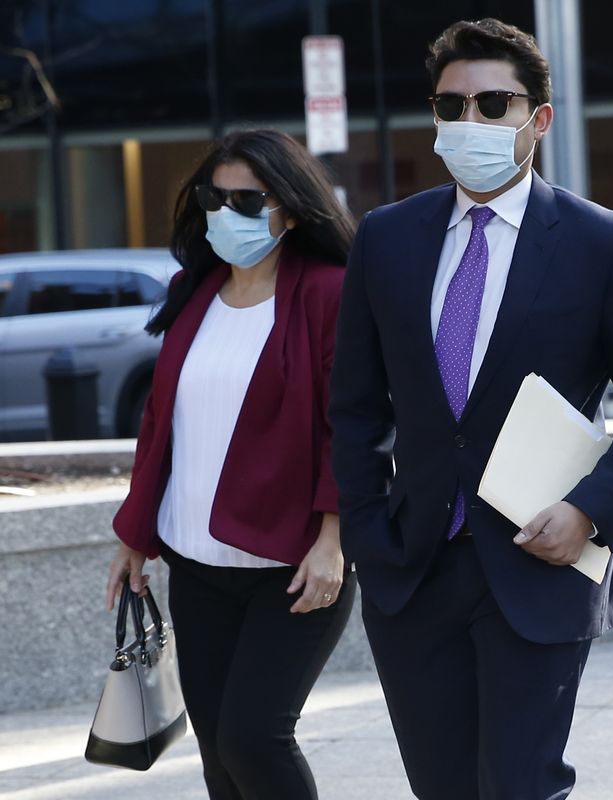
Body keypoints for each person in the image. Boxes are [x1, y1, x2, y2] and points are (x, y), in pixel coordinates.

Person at [329, 17, 613, 800]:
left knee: (521, 786)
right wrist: (367, 530)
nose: (471, 122)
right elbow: (355, 406)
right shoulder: (386, 239)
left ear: (539, 119)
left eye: (493, 103)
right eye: (451, 105)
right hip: (413, 569)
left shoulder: (604, 242)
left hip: (542, 561)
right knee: (443, 788)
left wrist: (589, 511)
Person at [105, 129, 357, 800]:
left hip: (292, 566)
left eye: (249, 200)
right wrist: (136, 535)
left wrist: (334, 541)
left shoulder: (328, 293)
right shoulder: (196, 288)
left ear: (293, 209)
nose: (226, 212)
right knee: (218, 753)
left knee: (255, 739)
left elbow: (351, 427)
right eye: (214, 197)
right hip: (197, 563)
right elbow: (161, 421)